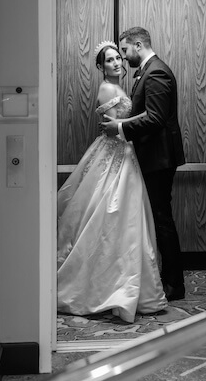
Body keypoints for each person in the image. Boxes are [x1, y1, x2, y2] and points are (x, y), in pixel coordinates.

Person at [57, 41, 168, 323]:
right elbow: (111, 128)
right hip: (116, 154)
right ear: (101, 67)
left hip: (127, 153)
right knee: (109, 214)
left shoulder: (123, 88)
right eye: (109, 60)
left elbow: (131, 120)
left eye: (118, 58)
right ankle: (108, 285)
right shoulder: (108, 89)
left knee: (127, 220)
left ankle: (125, 282)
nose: (117, 63)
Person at [102, 27, 186, 301]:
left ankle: (174, 284)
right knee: (159, 217)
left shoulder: (157, 72)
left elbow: (156, 118)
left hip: (159, 158)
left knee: (162, 219)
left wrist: (121, 127)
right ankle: (166, 278)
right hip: (152, 156)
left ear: (138, 45)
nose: (123, 58)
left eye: (125, 51)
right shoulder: (148, 71)